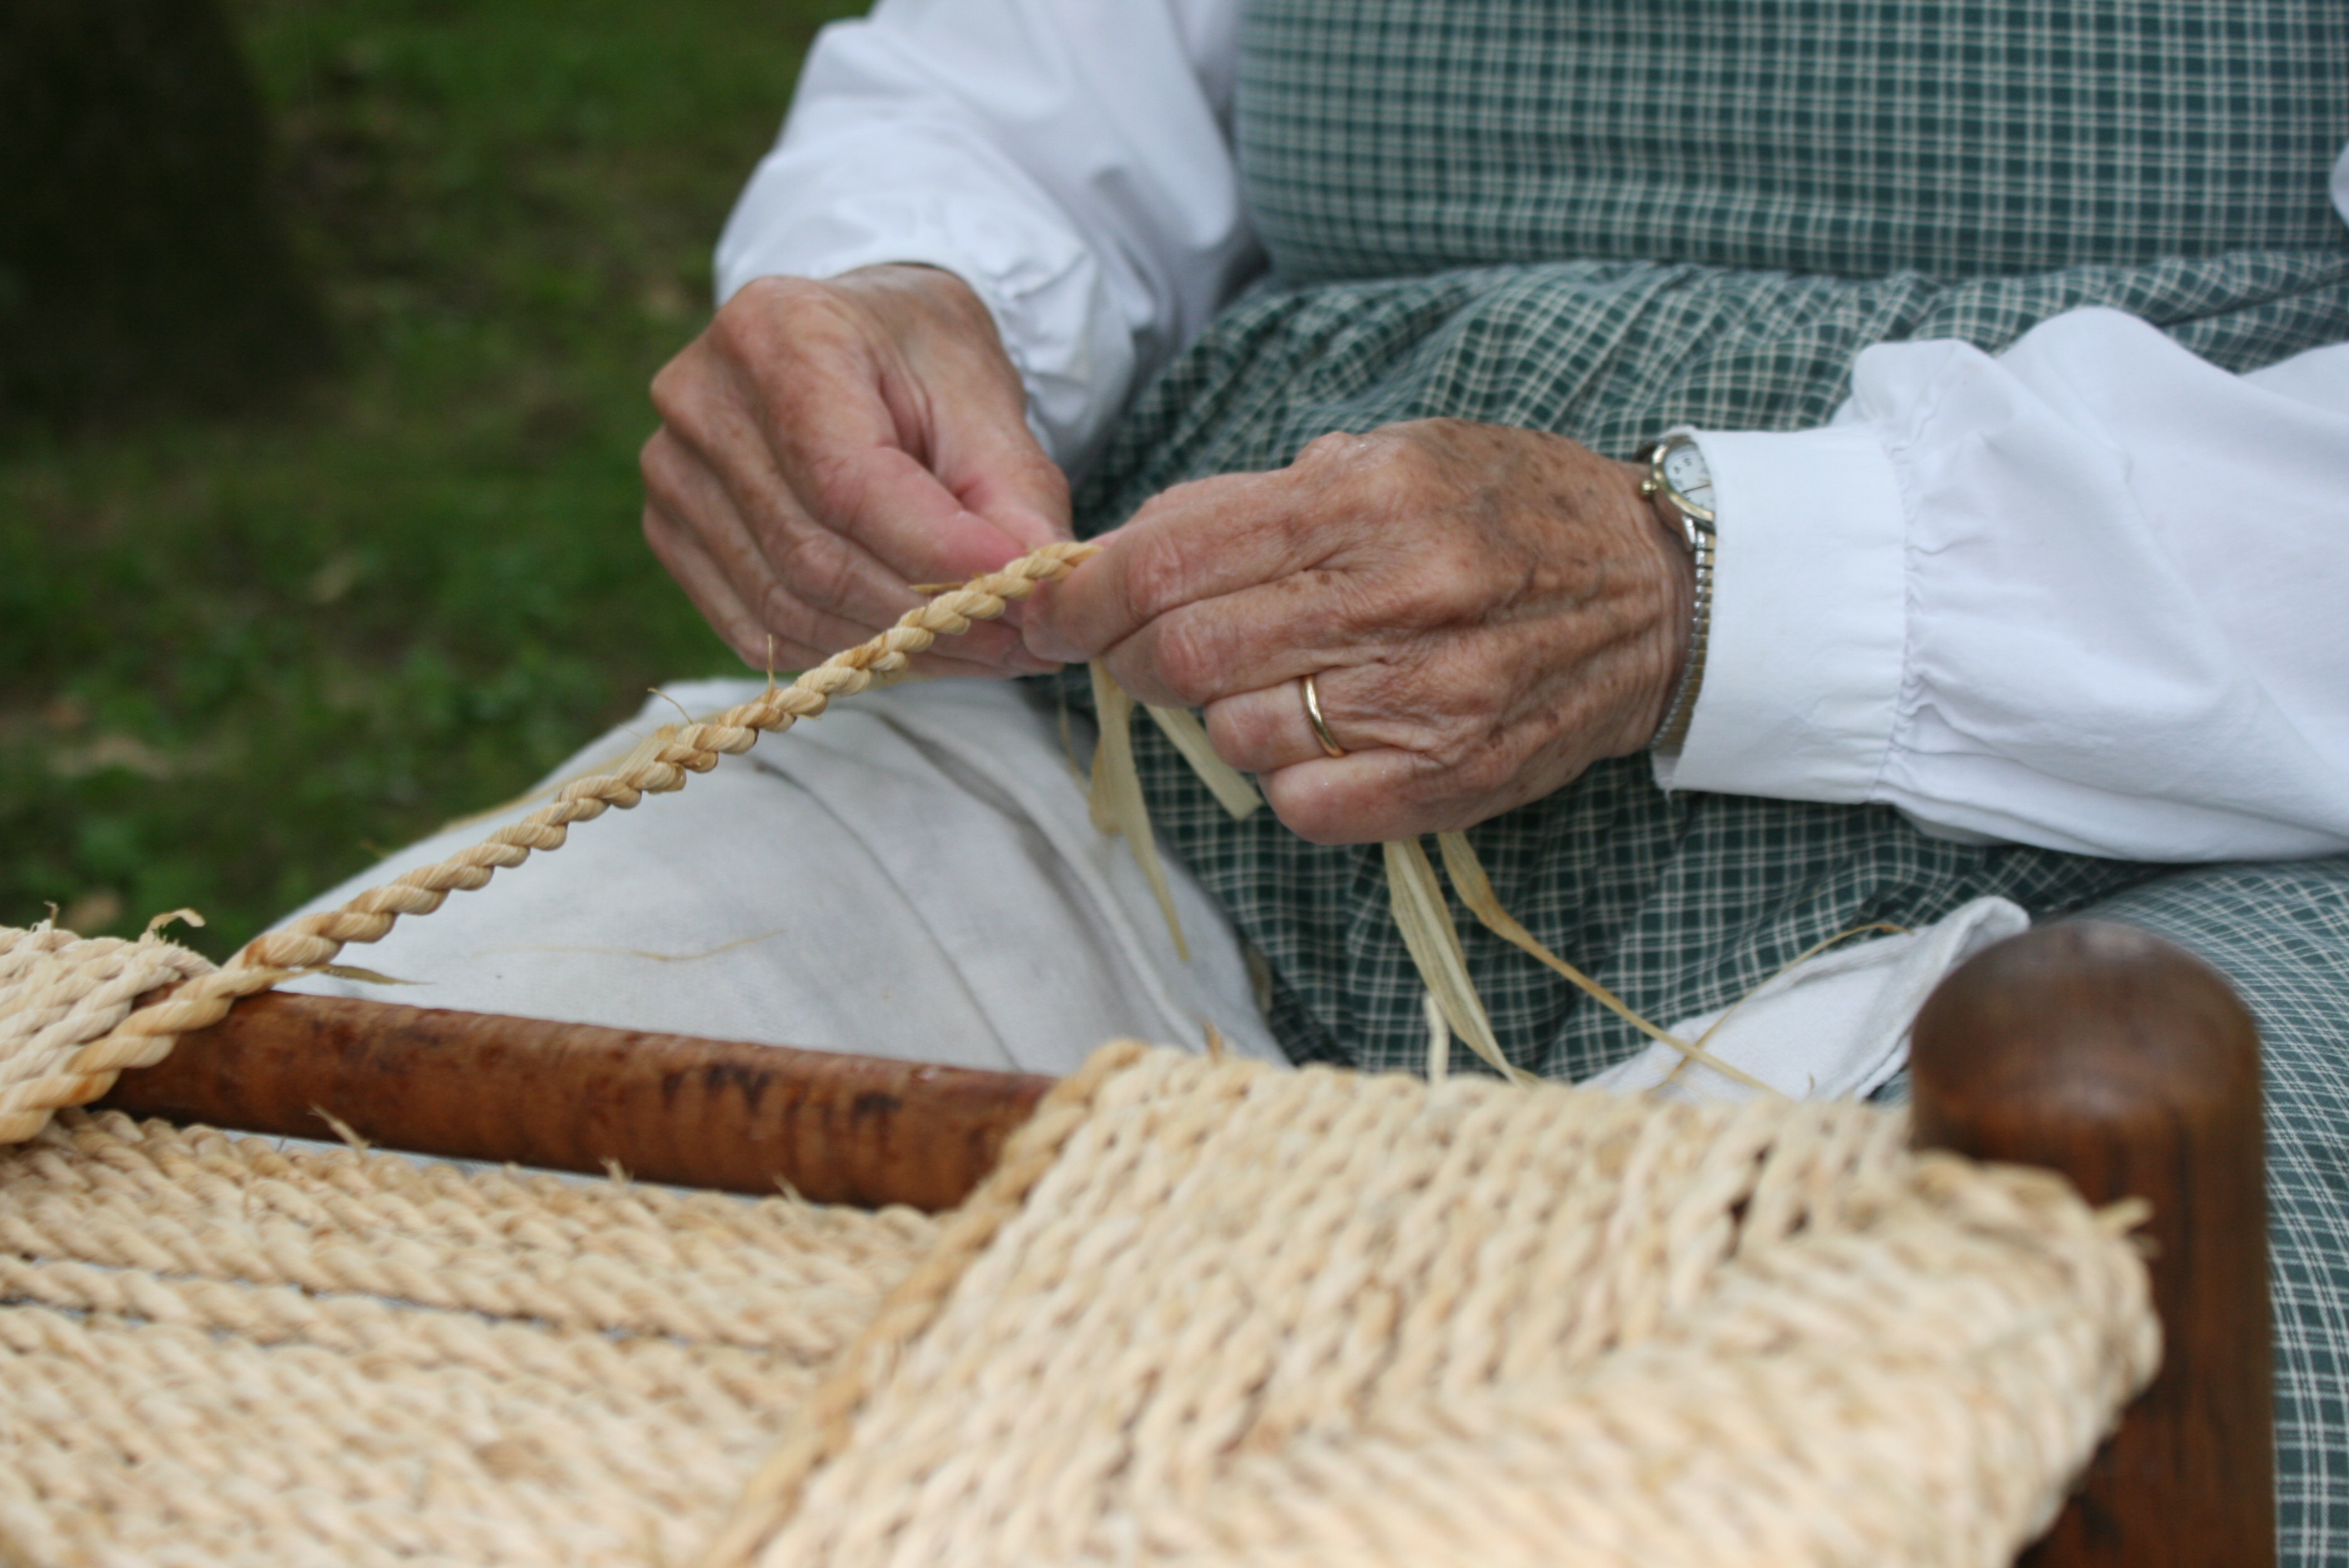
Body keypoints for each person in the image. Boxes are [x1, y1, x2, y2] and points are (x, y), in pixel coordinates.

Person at [284, 0, 2349, 1553]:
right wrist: (914, 286)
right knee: (307, 1243)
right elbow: (1040, 60)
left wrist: (1722, 581)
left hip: (2123, 828)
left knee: (1784, 1465)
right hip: (1153, 751)